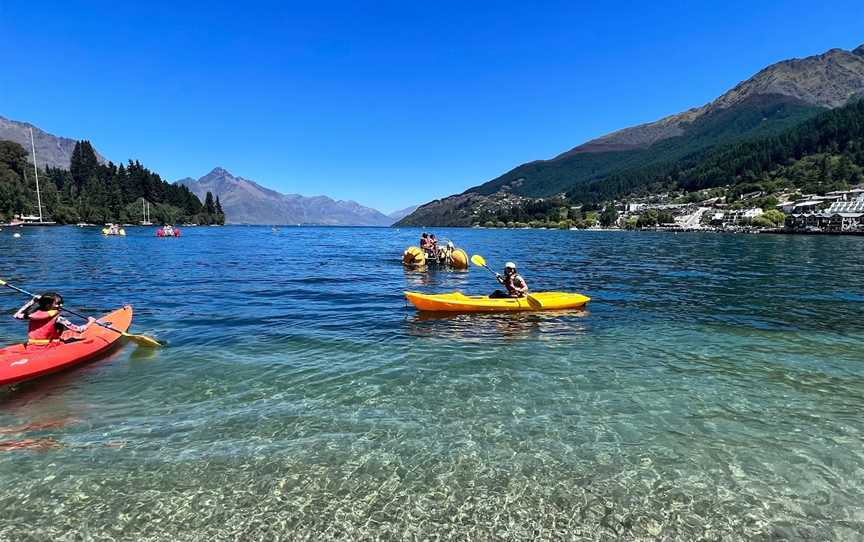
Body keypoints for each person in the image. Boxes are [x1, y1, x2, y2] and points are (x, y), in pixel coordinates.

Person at [13, 293, 96, 348]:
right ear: (48, 305)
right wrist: (90, 322)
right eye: (58, 303)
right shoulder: (59, 318)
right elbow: (79, 330)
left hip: (31, 346)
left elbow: (16, 315)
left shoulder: (33, 315)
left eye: (61, 303)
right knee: (72, 339)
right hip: (48, 347)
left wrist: (32, 302)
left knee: (69, 339)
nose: (61, 305)